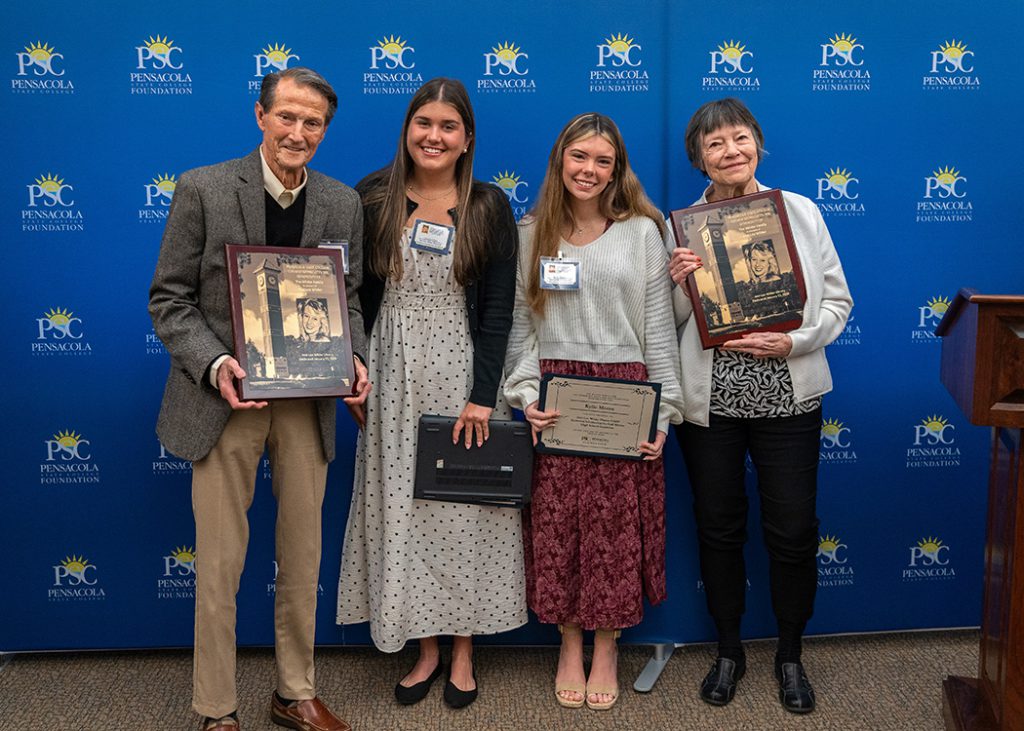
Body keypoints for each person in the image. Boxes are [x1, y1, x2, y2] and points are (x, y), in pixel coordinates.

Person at [149, 67, 370, 731]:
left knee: (303, 553)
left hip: (307, 402)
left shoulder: (342, 202)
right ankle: (216, 707)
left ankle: (294, 690)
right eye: (288, 118)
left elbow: (349, 297)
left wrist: (355, 356)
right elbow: (170, 300)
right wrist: (215, 364)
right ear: (261, 116)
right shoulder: (204, 188)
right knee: (219, 561)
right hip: (225, 402)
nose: (298, 133)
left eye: (313, 123)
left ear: (325, 130)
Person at [336, 77, 525, 710]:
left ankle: (465, 648)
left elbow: (499, 310)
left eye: (448, 126)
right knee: (405, 508)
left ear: (467, 138)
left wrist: (482, 395)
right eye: (424, 123)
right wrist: (353, 371)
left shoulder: (489, 206)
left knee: (464, 509)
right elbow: (353, 297)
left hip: (463, 373)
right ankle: (424, 648)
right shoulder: (373, 197)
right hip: (391, 370)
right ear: (407, 130)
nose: (434, 136)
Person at [667, 97, 852, 714]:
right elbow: (663, 329)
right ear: (699, 157)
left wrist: (794, 340)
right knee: (719, 529)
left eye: (740, 139)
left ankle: (791, 655)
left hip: (788, 398)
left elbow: (836, 303)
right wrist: (678, 285)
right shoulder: (681, 229)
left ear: (758, 144)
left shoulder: (798, 212)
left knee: (793, 532)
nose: (730, 152)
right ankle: (728, 651)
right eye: (715, 144)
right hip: (711, 402)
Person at [503, 112, 683, 711]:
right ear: (560, 160)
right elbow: (520, 331)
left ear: (617, 170)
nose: (589, 170)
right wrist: (527, 397)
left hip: (625, 397)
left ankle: (607, 645)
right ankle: (569, 642)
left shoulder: (642, 233)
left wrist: (662, 415)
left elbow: (659, 332)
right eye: (579, 157)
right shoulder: (530, 233)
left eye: (602, 161)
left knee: (613, 531)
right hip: (557, 398)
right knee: (557, 529)